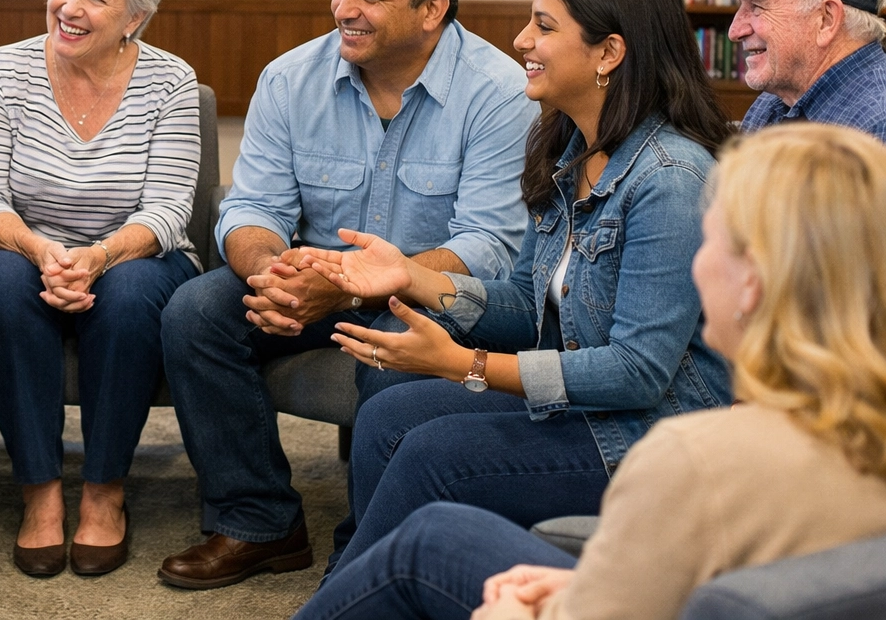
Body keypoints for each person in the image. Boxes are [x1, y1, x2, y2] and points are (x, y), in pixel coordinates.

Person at [290, 122, 886, 620]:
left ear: (752, 283)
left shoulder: (691, 460)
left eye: (710, 241)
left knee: (429, 537)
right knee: (422, 486)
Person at [305, 0, 733, 574]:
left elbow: (636, 374)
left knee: (433, 454)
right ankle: (365, 579)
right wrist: (413, 276)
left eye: (544, 26)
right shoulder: (568, 147)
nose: (521, 38)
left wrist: (463, 364)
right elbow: (529, 307)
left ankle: (358, 590)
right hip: (593, 406)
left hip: (652, 434)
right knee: (388, 415)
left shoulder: (671, 179)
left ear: (609, 53)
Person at [158, 0, 538, 590]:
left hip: (418, 293)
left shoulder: (499, 93)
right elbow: (252, 207)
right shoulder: (290, 79)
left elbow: (490, 246)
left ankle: (370, 545)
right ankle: (258, 521)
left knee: (393, 354)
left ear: (432, 10)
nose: (343, 9)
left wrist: (360, 285)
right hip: (309, 275)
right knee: (195, 311)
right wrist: (269, 270)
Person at [0, 0, 200, 578]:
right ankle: (38, 494)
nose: (69, 7)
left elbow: (170, 210)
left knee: (128, 297)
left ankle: (103, 492)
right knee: (6, 287)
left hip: (133, 254)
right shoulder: (1, 69)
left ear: (135, 18)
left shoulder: (172, 82)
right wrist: (41, 250)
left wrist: (98, 256)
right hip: (19, 247)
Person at [696, 0, 886, 138]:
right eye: (740, 5)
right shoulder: (774, 102)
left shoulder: (876, 124)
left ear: (826, 20)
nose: (734, 31)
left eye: (757, 7)